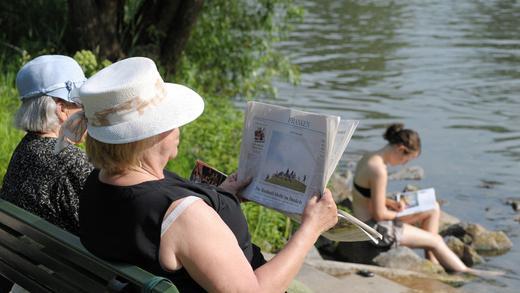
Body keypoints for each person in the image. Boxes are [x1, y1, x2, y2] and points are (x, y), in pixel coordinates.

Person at [58, 57, 338, 292]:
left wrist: (223, 196)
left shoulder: (97, 184)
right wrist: (310, 229)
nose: (178, 128)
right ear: (151, 135)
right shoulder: (180, 215)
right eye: (171, 120)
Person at [352, 123, 494, 275]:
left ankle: (432, 261)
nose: (404, 164)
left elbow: (363, 192)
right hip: (373, 229)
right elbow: (379, 215)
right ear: (401, 150)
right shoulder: (379, 170)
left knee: (433, 208)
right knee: (437, 240)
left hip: (364, 219)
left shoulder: (369, 156)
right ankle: (467, 272)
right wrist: (411, 216)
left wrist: (391, 203)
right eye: (406, 160)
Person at [0, 55, 93, 234]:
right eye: (83, 103)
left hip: (19, 258)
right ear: (62, 109)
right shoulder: (73, 162)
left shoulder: (26, 148)